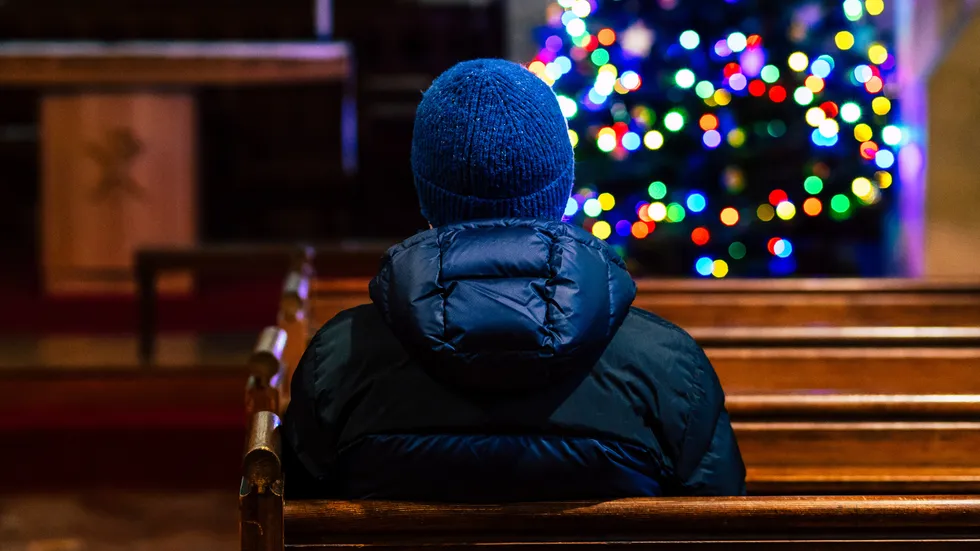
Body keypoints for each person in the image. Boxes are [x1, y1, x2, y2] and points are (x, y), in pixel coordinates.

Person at [283, 59, 746, 501]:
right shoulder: (668, 370)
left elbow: (292, 525)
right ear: (561, 188)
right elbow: (722, 532)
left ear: (427, 196)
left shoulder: (340, 364)